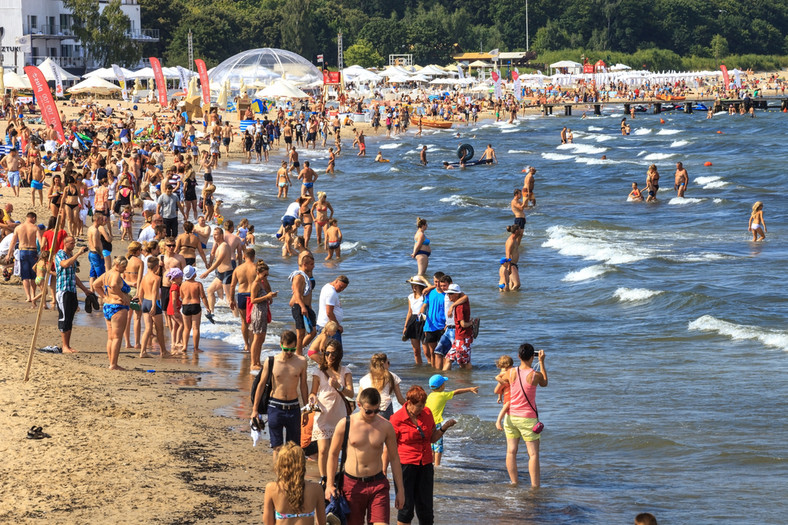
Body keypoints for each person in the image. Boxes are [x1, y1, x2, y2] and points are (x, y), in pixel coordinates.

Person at [325, 388, 405, 525]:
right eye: (368, 411)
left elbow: (395, 459)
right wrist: (329, 484)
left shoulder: (386, 426)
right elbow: (332, 455)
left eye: (376, 410)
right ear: (359, 404)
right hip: (352, 485)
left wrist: (401, 490)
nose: (372, 414)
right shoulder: (345, 424)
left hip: (378, 483)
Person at [390, 385, 456, 525]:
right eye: (419, 405)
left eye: (423, 404)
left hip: (425, 464)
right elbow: (390, 447)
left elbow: (432, 438)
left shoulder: (427, 413)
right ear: (409, 403)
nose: (422, 408)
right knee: (406, 508)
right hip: (405, 465)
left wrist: (444, 427)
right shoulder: (396, 419)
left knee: (426, 510)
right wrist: (384, 469)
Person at [251, 330, 309, 462]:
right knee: (277, 447)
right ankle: (279, 478)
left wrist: (306, 410)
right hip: (275, 407)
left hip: (294, 407)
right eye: (286, 349)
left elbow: (304, 386)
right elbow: (260, 385)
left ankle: (291, 478)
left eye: (293, 349)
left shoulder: (301, 362)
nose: (289, 352)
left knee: (293, 448)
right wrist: (255, 410)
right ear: (280, 345)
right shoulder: (271, 361)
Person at [307, 340, 353, 487]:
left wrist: (339, 386)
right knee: (323, 450)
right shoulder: (318, 371)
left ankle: (335, 477)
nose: (330, 356)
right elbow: (313, 392)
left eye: (333, 353)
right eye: (327, 353)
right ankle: (324, 479)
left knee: (337, 450)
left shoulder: (345, 371)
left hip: (339, 415)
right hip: (322, 413)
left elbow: (351, 393)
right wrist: (312, 398)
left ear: (338, 354)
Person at [504, 343, 548, 487]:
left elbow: (501, 380)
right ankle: (535, 487)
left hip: (510, 417)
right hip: (527, 418)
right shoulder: (535, 375)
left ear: (518, 356)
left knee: (511, 451)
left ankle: (514, 482)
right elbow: (545, 383)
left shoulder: (510, 372)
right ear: (532, 357)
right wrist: (541, 362)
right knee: (533, 454)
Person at [262, 442, 326, 525]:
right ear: (302, 464)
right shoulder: (316, 488)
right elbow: (322, 522)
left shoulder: (272, 488)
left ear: (280, 464)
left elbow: (268, 522)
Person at [425, 375, 479, 465]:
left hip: (427, 423)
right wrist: (470, 389)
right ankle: (437, 465)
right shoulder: (443, 395)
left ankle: (431, 462)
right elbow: (456, 392)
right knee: (438, 445)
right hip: (436, 424)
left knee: (431, 444)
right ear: (442, 386)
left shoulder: (430, 395)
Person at [55, 236, 92, 354]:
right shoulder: (60, 254)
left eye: (74, 243)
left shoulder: (71, 256)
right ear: (65, 243)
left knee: (70, 317)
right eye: (71, 243)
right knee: (64, 317)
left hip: (71, 290)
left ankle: (68, 345)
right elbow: (64, 264)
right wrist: (78, 254)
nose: (73, 245)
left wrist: (85, 290)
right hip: (63, 290)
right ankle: (64, 345)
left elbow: (73, 276)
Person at [100, 256, 133, 370]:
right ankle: (113, 364)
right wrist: (123, 296)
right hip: (118, 307)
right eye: (124, 267)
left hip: (108, 305)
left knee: (110, 337)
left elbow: (95, 284)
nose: (125, 269)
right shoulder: (115, 274)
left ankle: (111, 362)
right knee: (117, 337)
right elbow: (114, 285)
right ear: (117, 265)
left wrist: (104, 296)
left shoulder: (106, 274)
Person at [358, 354, 406, 420]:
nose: (389, 365)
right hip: (384, 409)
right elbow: (400, 399)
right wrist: (411, 408)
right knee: (386, 429)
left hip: (367, 410)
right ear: (384, 364)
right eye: (388, 363)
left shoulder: (364, 379)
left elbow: (358, 399)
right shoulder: (391, 376)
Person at [139, 256, 169, 358]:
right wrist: (153, 305)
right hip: (154, 303)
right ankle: (163, 351)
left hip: (145, 302)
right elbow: (154, 292)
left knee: (148, 328)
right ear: (156, 266)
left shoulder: (144, 277)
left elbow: (140, 292)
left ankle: (142, 351)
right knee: (159, 329)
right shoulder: (157, 278)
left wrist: (141, 301)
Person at [5, 212, 39, 304]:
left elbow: (13, 242)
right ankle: (33, 294)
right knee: (33, 274)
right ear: (33, 218)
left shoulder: (18, 228)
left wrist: (9, 254)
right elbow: (40, 242)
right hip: (32, 251)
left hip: (22, 251)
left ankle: (28, 296)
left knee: (25, 275)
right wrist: (42, 253)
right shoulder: (35, 228)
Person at [249, 261, 277, 370]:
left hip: (263, 311)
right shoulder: (255, 284)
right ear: (257, 272)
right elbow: (253, 300)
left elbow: (268, 290)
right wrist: (266, 297)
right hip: (258, 312)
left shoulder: (262, 282)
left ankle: (257, 361)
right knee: (257, 338)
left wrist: (270, 296)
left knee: (262, 338)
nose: (266, 277)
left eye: (267, 275)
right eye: (264, 274)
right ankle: (253, 363)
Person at [229, 247, 258, 352]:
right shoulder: (257, 268)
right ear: (253, 256)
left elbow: (232, 286)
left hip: (241, 295)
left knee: (244, 322)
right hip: (254, 296)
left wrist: (231, 300)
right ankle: (253, 344)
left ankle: (246, 345)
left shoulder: (238, 269)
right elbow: (262, 284)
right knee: (253, 322)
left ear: (244, 256)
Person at [289, 252, 317, 354]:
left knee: (313, 331)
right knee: (301, 333)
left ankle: (297, 350)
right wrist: (302, 307)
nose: (314, 266)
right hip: (299, 306)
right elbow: (297, 294)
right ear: (305, 265)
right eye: (311, 264)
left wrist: (308, 306)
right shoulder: (299, 277)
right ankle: (298, 353)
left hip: (306, 306)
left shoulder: (307, 275)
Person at [180, 265, 211, 353]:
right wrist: (207, 307)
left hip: (185, 306)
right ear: (193, 275)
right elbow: (203, 297)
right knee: (195, 328)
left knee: (186, 328)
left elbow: (181, 296)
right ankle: (196, 348)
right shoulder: (198, 284)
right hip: (195, 305)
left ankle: (185, 346)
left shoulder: (183, 284)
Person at [443, 283, 474, 370]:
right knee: (449, 358)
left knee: (465, 363)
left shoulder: (459, 307)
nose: (449, 296)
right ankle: (444, 379)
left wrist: (471, 323)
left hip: (462, 338)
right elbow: (465, 296)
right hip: (461, 337)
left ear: (457, 294)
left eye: (451, 294)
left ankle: (466, 380)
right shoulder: (465, 302)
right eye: (448, 293)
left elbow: (463, 324)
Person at [402, 275, 428, 364]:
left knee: (426, 351)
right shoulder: (410, 297)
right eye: (412, 285)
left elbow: (433, 288)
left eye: (415, 285)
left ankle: (431, 367)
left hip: (423, 320)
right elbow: (409, 311)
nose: (413, 287)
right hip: (413, 320)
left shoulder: (425, 296)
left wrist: (424, 279)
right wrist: (405, 326)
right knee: (416, 351)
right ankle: (419, 368)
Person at [316, 275, 348, 341]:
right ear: (336, 281)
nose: (341, 290)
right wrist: (337, 326)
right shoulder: (331, 292)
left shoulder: (327, 286)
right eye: (341, 287)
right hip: (329, 327)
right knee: (334, 350)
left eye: (343, 288)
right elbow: (329, 312)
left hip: (325, 324)